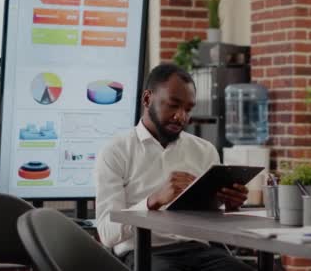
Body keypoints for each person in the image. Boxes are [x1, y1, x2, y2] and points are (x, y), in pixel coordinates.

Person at [95, 63, 254, 271]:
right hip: (142, 252)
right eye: (173, 105)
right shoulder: (115, 151)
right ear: (147, 99)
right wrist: (152, 201)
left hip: (198, 250)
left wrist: (231, 208)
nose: (181, 116)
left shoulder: (204, 151)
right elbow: (107, 234)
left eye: (188, 109)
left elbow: (217, 225)